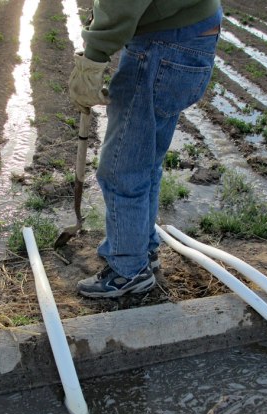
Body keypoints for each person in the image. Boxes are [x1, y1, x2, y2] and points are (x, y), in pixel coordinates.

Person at [69, 0, 222, 298]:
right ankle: (142, 249)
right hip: (192, 33)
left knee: (121, 170)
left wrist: (93, 57)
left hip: (164, 45)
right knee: (146, 161)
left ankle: (129, 270)